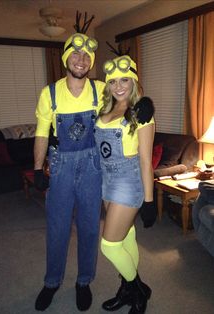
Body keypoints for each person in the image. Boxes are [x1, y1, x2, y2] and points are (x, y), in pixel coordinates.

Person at [33, 15, 154, 311]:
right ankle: (51, 282)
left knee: (91, 229)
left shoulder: (101, 89)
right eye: (74, 53)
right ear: (65, 58)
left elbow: (126, 92)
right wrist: (37, 167)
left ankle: (84, 281)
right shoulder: (49, 94)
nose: (80, 59)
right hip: (63, 168)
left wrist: (144, 103)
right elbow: (40, 134)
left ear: (90, 62)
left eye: (86, 55)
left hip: (94, 169)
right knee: (58, 227)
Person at [94, 54, 156, 314]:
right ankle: (129, 289)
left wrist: (149, 202)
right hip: (106, 181)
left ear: (134, 81)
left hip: (128, 182)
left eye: (125, 80)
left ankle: (137, 290)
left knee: (108, 244)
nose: (118, 86)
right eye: (113, 81)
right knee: (125, 236)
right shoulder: (104, 108)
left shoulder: (141, 113)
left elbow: (145, 161)